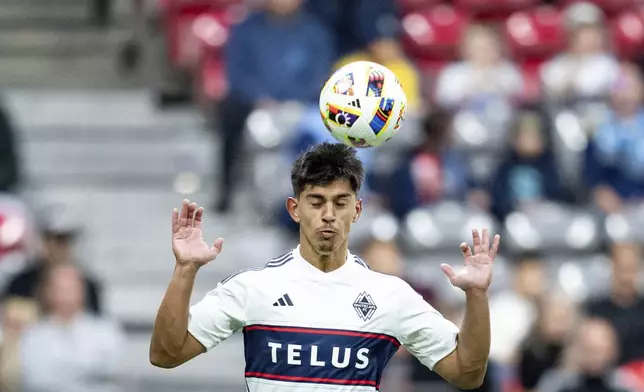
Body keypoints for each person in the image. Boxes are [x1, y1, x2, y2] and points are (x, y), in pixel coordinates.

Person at [150, 142, 500, 391]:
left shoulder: (390, 295)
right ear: (294, 208)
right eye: (316, 201)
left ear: (357, 210)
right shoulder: (253, 288)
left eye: (340, 202)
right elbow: (165, 355)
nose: (329, 214)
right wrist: (185, 269)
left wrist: (477, 296)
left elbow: (467, 375)